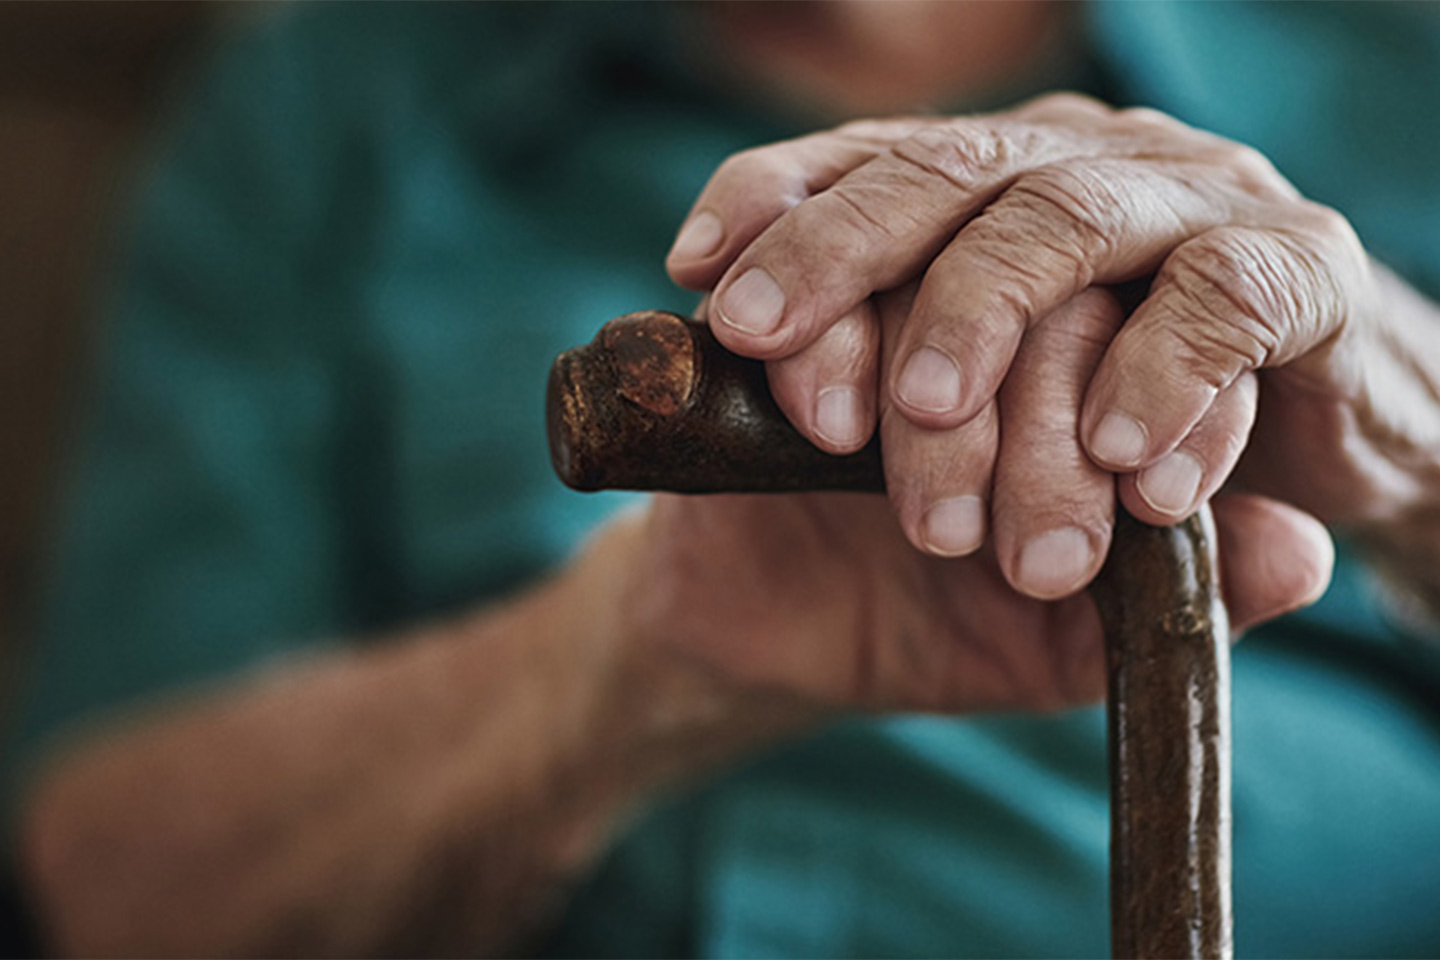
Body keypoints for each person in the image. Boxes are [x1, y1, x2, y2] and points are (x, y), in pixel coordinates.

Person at [5, 2, 1440, 956]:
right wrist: (622, 662)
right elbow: (107, 882)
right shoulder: (325, 101)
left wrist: (1423, 450)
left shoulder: (1401, 66)